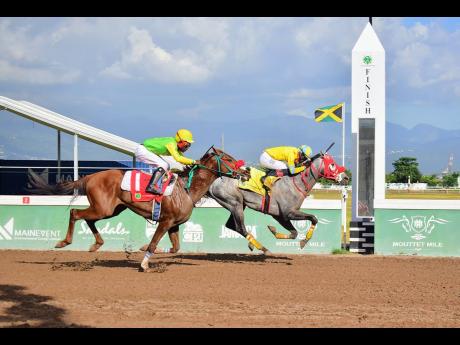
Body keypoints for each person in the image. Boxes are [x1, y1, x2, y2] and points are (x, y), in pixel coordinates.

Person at [134, 129, 196, 194]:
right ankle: (151, 186)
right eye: (186, 144)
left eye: (189, 145)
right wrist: (194, 162)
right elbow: (178, 158)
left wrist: (193, 163)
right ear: (180, 140)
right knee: (164, 165)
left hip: (147, 150)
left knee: (167, 166)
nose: (187, 147)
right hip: (143, 150)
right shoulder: (171, 144)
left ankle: (161, 184)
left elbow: (182, 158)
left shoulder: (175, 145)